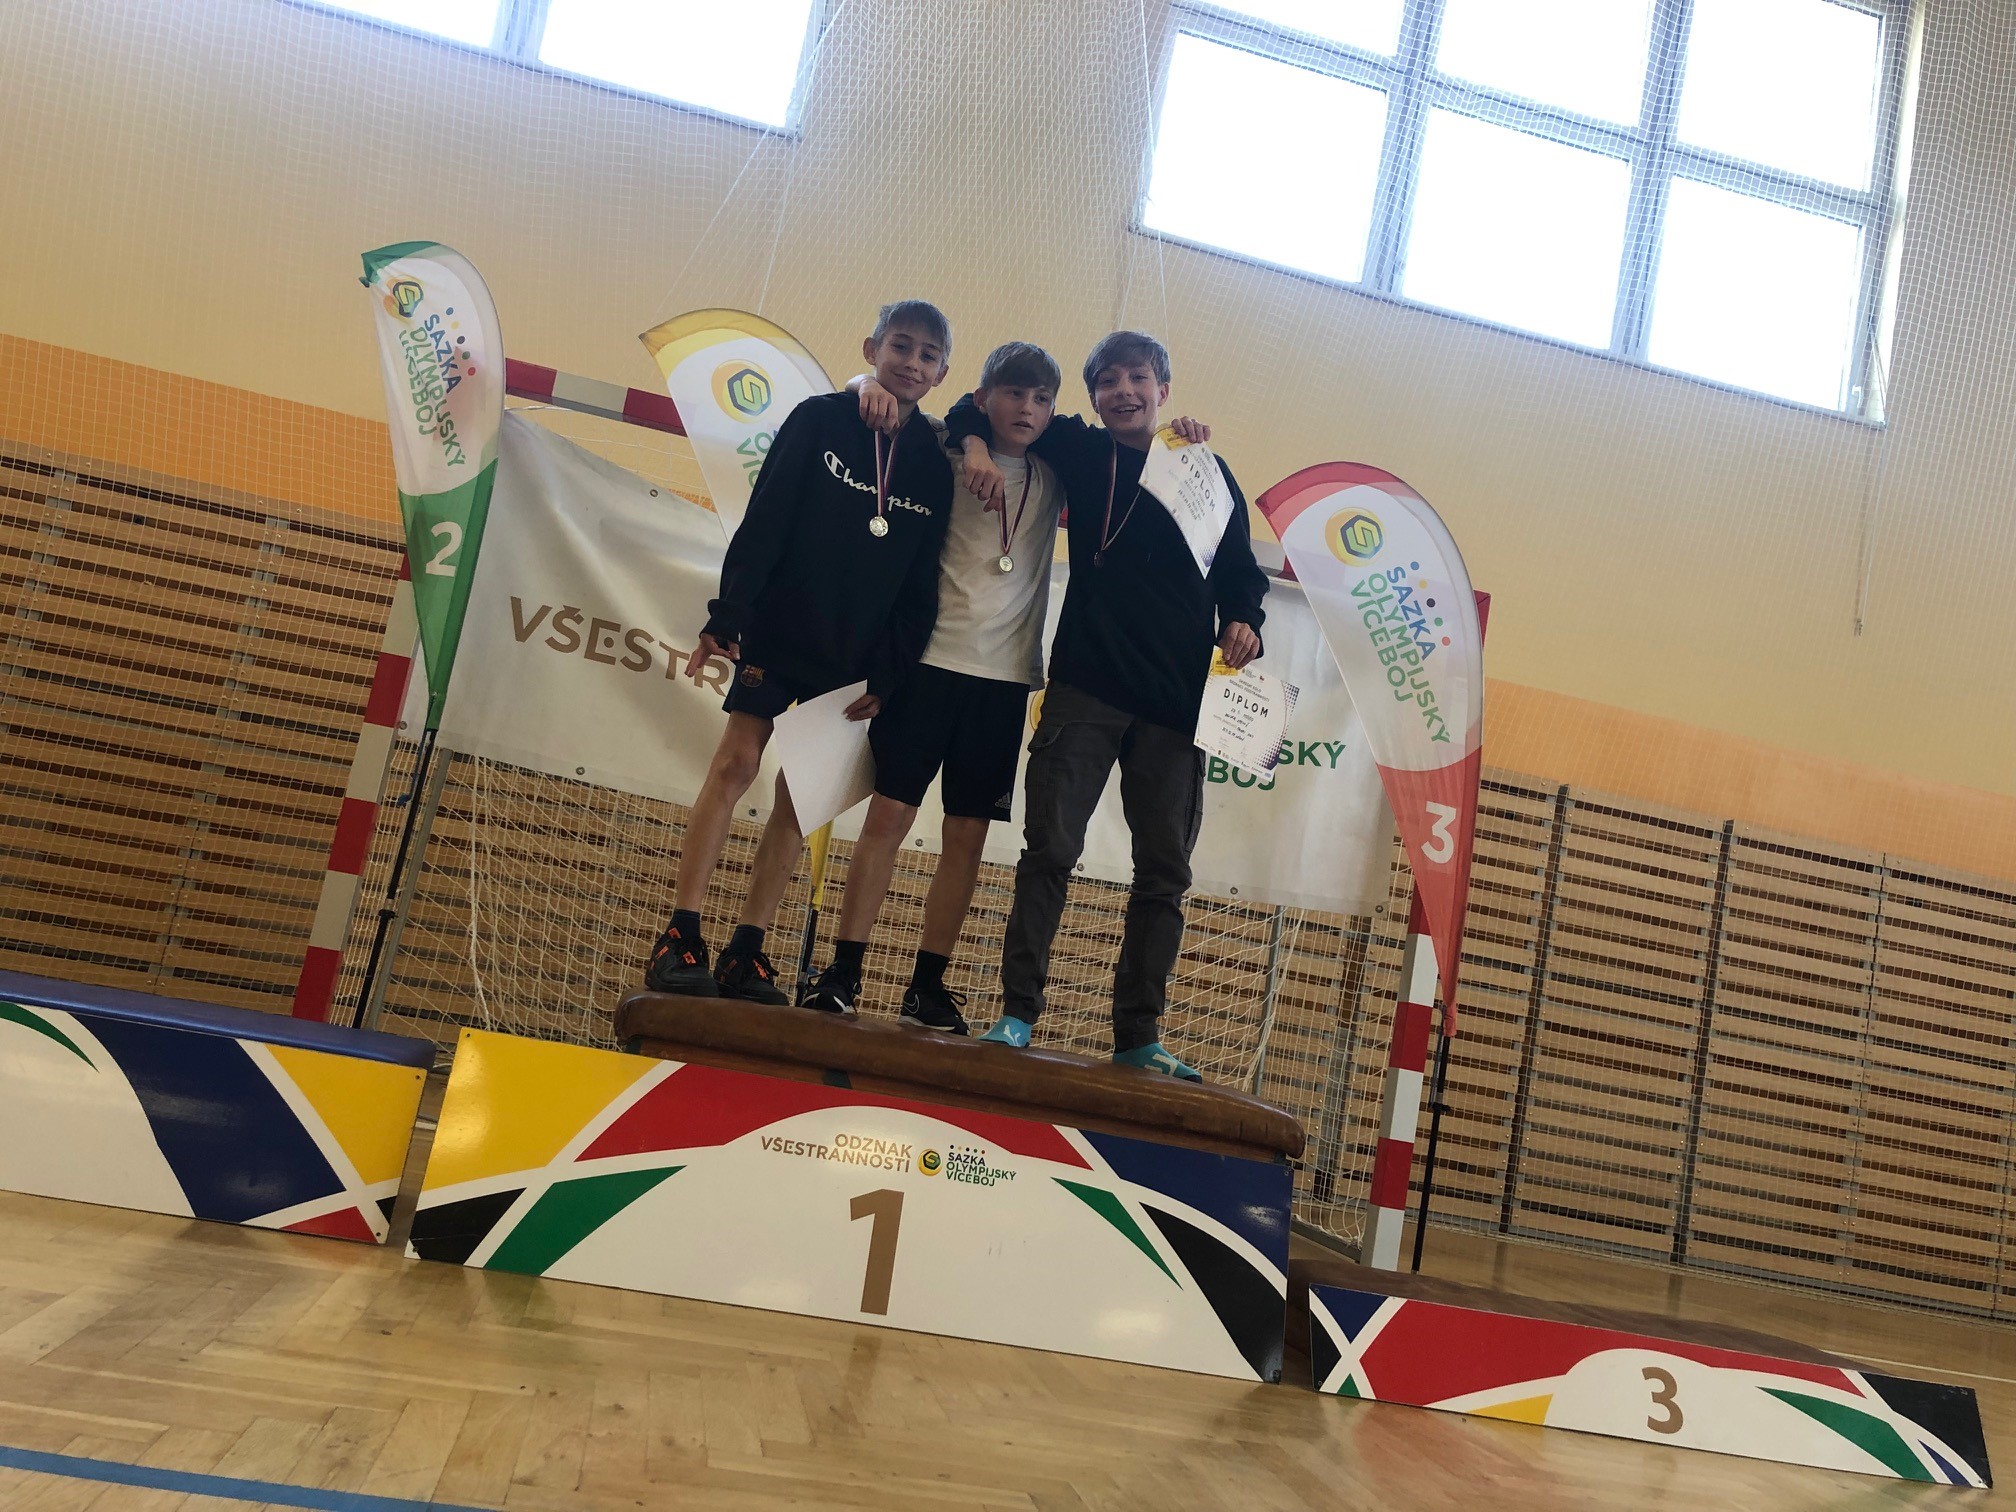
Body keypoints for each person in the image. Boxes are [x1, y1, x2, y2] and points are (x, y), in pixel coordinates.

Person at [945, 331, 1267, 1080]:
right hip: (1085, 688)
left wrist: (1245, 621)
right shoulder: (1081, 449)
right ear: (1092, 398)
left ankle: (1138, 1036)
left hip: (1176, 705)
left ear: (1163, 389)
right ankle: (1018, 1012)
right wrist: (975, 447)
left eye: (1138, 378)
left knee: (1164, 873)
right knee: (1049, 853)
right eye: (1110, 381)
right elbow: (976, 404)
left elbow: (1240, 571)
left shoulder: (1205, 470)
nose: (1125, 391)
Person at [643, 300, 954, 1001]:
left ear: (941, 373)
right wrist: (729, 613)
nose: (911, 362)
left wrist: (889, 674)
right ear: (872, 348)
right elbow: (766, 520)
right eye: (900, 346)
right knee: (736, 763)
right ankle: (681, 932)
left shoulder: (934, 467)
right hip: (781, 633)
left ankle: (747, 948)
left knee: (800, 799)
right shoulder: (819, 420)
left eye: (928, 355)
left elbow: (920, 584)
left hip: (853, 660)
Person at [792, 342, 1066, 1032]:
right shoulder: (943, 450)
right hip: (928, 667)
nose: (1026, 408)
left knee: (965, 837)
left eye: (1040, 398)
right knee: (887, 818)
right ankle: (843, 971)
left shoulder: (1058, 470)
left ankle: (928, 985)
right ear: (981, 398)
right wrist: (864, 382)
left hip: (1003, 683)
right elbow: (887, 401)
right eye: (1012, 393)